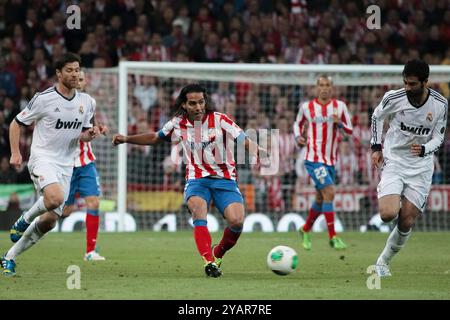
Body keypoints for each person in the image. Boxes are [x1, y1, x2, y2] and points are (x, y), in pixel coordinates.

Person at [112, 83, 267, 278]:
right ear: (184, 105)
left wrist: (257, 151)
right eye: (193, 103)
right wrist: (126, 138)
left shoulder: (220, 120)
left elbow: (243, 139)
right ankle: (208, 261)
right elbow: (155, 137)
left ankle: (217, 253)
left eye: (201, 102)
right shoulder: (178, 123)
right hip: (197, 180)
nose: (198, 107)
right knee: (198, 210)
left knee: (236, 222)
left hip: (225, 180)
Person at [1, 53, 99, 276]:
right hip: (42, 158)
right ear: (58, 73)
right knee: (55, 198)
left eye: (77, 70)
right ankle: (24, 219)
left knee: (50, 221)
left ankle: (9, 257)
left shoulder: (86, 102)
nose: (74, 74)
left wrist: (89, 134)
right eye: (69, 70)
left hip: (66, 164)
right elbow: (16, 124)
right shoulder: (44, 98)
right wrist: (16, 153)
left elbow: (80, 135)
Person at [370, 59, 447, 277]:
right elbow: (377, 117)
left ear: (426, 82)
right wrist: (376, 148)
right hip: (394, 159)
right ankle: (390, 192)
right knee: (387, 214)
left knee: (407, 220)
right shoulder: (394, 98)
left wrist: (424, 149)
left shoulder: (440, 104)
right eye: (405, 82)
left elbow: (439, 137)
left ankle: (383, 261)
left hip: (421, 166)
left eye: (412, 84)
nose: (407, 87)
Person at [293, 74, 353, 250]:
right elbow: (297, 124)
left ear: (331, 88)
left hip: (330, 160)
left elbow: (349, 130)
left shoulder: (340, 107)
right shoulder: (307, 107)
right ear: (316, 88)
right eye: (321, 85)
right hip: (313, 159)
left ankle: (305, 229)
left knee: (321, 199)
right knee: (330, 192)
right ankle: (333, 237)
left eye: (327, 85)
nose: (324, 88)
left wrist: (339, 123)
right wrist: (298, 137)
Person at [62, 70, 108, 261]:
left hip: (86, 162)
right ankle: (31, 224)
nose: (79, 81)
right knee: (64, 211)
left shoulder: (89, 102)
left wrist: (99, 129)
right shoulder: (61, 104)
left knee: (94, 202)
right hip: (65, 164)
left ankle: (90, 251)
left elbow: (91, 126)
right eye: (76, 78)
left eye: (81, 79)